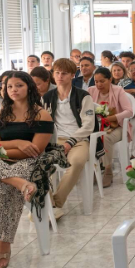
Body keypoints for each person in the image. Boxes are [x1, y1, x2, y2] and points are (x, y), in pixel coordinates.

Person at [0, 71, 54, 268]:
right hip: (2, 162)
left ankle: (2, 248)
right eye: (10, 86)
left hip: (31, 163)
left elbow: (35, 150)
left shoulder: (41, 114)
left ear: (29, 87)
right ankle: (20, 185)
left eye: (19, 85)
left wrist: (9, 149)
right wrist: (18, 143)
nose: (13, 90)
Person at [42, 59, 96, 217]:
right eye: (57, 72)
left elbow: (88, 125)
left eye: (64, 73)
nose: (60, 76)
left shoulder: (83, 96)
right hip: (53, 140)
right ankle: (47, 204)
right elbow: (42, 122)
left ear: (73, 75)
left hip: (78, 140)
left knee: (77, 162)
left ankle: (55, 203)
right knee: (38, 163)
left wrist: (70, 142)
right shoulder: (47, 97)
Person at [88, 67, 133, 188]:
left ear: (110, 79)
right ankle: (93, 168)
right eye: (96, 81)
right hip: (96, 126)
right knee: (87, 137)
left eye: (102, 81)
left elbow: (129, 112)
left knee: (105, 138)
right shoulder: (90, 91)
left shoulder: (118, 90)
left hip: (116, 126)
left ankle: (108, 170)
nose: (98, 84)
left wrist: (111, 119)